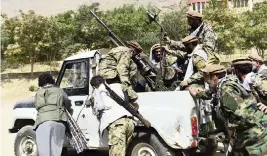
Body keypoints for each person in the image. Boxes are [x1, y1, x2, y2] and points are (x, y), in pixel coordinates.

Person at [190, 64, 267, 156]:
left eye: (206, 77)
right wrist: (197, 93)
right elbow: (211, 93)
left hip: (255, 134)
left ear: (214, 77)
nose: (206, 80)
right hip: (248, 131)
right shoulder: (225, 82)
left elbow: (241, 116)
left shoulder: (226, 90)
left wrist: (228, 133)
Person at [90, 75, 135, 156]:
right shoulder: (118, 86)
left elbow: (99, 107)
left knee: (116, 154)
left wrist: (93, 104)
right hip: (129, 122)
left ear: (94, 86)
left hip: (117, 125)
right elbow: (134, 96)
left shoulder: (98, 90)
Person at [34, 73, 72, 156]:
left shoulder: (38, 93)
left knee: (44, 151)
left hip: (42, 123)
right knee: (59, 149)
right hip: (58, 121)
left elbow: (37, 107)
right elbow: (68, 103)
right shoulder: (59, 90)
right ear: (52, 80)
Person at [98, 41, 143, 105]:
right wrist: (127, 88)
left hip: (107, 74)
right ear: (134, 50)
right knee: (126, 92)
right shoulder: (127, 52)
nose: (136, 55)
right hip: (110, 75)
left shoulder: (122, 50)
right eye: (137, 53)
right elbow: (122, 69)